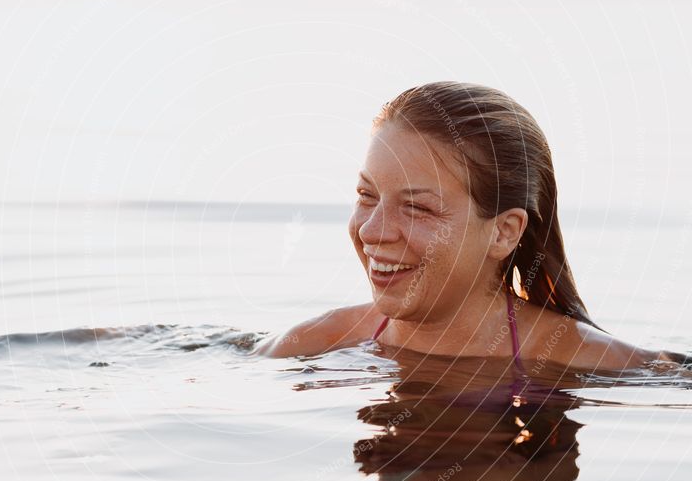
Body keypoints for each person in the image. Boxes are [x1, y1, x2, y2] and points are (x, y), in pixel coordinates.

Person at [253, 81, 684, 371]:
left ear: (503, 232)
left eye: (417, 208)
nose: (371, 231)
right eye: (367, 196)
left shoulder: (587, 362)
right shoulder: (314, 346)